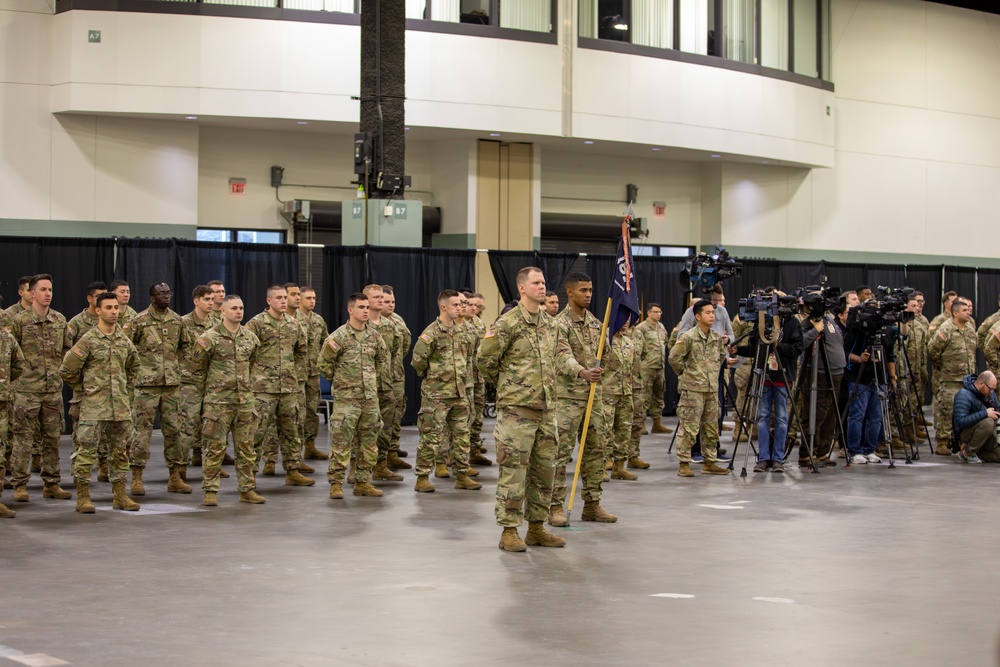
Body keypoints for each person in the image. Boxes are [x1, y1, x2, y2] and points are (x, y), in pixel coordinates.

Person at [478, 267, 565, 552]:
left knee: (544, 472)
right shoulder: (507, 323)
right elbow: (485, 362)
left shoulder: (550, 324)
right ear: (522, 288)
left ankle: (537, 528)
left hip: (546, 410)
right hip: (517, 412)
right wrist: (509, 387)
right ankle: (509, 530)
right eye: (536, 283)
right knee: (513, 471)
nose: (542, 287)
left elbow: (557, 359)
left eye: (544, 282)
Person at [59, 291, 141, 513]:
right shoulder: (88, 340)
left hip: (120, 407)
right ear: (98, 311)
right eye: (108, 308)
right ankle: (83, 497)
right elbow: (67, 370)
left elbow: (134, 366)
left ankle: (120, 495)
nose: (114, 312)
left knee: (120, 452)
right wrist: (84, 388)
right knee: (86, 452)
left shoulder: (123, 340)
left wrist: (126, 389)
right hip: (93, 406)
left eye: (116, 308)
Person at [548, 272, 615, 525]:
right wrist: (582, 371)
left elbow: (607, 355)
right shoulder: (559, 324)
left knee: (596, 452)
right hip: (567, 398)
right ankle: (554, 506)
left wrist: (605, 367)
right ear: (570, 292)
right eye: (583, 290)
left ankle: (592, 504)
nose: (588, 294)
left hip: (593, 398)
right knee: (560, 454)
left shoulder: (597, 323)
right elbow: (561, 356)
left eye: (590, 290)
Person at [191, 294, 266, 506]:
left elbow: (253, 363)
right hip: (218, 403)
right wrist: (208, 395)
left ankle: (247, 489)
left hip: (244, 403)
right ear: (222, 311)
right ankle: (211, 491)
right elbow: (197, 369)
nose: (239, 312)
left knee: (246, 449)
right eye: (233, 308)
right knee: (214, 448)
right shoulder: (209, 338)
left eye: (241, 308)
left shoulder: (250, 338)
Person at [318, 292, 389, 499]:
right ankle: (336, 484)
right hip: (346, 400)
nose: (366, 311)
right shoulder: (338, 337)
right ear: (350, 310)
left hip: (369, 399)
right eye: (361, 307)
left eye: (367, 307)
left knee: (369, 442)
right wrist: (342, 383)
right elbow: (324, 365)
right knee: (342, 441)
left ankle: (363, 482)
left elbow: (382, 360)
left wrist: (371, 382)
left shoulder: (375, 336)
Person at [10, 274, 72, 502]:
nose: (48, 294)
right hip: (26, 391)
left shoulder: (59, 320)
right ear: (32, 293)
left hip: (52, 391)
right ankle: (19, 484)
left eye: (50, 290)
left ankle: (52, 483)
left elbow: (68, 351)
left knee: (53, 439)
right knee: (23, 440)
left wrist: (62, 375)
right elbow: (10, 355)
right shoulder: (19, 321)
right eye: (43, 289)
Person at [410, 290, 480, 493]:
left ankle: (461, 475)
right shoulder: (431, 333)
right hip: (437, 395)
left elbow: (468, 359)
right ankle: (422, 477)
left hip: (459, 393)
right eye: (456, 305)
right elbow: (417, 361)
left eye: (461, 304)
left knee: (461, 436)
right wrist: (434, 377)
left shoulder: (464, 331)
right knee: (430, 437)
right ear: (444, 307)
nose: (461, 308)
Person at [246, 284, 314, 487]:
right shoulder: (257, 323)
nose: (283, 301)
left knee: (291, 431)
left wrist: (295, 376)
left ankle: (292, 470)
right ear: (269, 301)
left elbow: (302, 352)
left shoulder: (294, 325)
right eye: (279, 298)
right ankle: (250, 474)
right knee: (257, 432)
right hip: (263, 389)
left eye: (285, 297)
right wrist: (254, 378)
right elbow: (246, 352)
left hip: (288, 388)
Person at [128, 282, 189, 495]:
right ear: (152, 298)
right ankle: (136, 477)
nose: (166, 296)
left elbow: (185, 347)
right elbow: (128, 349)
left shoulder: (177, 320)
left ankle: (175, 476)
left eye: (168, 292)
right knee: (141, 432)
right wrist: (139, 371)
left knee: (174, 431)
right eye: (161, 293)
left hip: (171, 385)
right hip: (146, 385)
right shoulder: (139, 321)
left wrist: (175, 367)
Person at [668, 299, 731, 477]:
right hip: (693, 391)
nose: (712, 316)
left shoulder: (716, 338)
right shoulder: (688, 337)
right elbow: (674, 358)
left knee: (711, 427)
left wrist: (710, 374)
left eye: (713, 312)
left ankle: (709, 462)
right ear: (697, 316)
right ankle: (684, 463)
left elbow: (720, 357)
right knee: (689, 428)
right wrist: (686, 374)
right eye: (708, 313)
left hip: (711, 390)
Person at [734, 311, 803, 472]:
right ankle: (763, 458)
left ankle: (778, 458)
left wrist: (778, 345)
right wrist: (737, 349)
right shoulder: (761, 321)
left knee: (781, 418)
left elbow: (797, 349)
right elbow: (753, 349)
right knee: (762, 417)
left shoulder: (792, 322)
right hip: (763, 375)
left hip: (783, 376)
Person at [797, 297, 847, 465]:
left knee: (831, 415)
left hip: (836, 372)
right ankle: (807, 452)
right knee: (816, 413)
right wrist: (815, 330)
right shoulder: (808, 322)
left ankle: (823, 452)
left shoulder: (829, 319)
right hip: (818, 373)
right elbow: (801, 343)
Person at [363, 284, 404, 483]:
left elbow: (398, 351)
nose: (380, 300)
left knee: (386, 427)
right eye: (376, 297)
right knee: (362, 428)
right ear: (366, 300)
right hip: (364, 386)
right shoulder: (359, 325)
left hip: (386, 384)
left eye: (382, 297)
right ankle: (357, 468)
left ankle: (381, 466)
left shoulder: (391, 326)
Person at [67, 282, 108, 480]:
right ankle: (79, 471)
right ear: (90, 299)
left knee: (108, 431)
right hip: (85, 389)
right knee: (83, 431)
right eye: (99, 296)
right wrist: (78, 383)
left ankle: (104, 467)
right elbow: (66, 355)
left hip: (107, 388)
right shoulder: (76, 323)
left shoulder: (112, 324)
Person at [927, 298, 977, 456]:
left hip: (967, 379)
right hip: (950, 378)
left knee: (966, 411)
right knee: (947, 410)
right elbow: (933, 350)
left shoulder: (969, 327)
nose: (968, 312)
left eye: (968, 310)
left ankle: (961, 441)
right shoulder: (946, 328)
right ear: (955, 313)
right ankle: (942, 442)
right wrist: (944, 366)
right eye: (964, 310)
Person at [178, 286, 218, 476]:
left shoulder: (217, 324)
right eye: (207, 299)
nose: (211, 302)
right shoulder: (183, 323)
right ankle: (179, 468)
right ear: (196, 301)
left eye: (212, 299)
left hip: (212, 381)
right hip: (189, 382)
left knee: (212, 426)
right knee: (187, 425)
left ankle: (210, 465)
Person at [381, 285, 412, 466]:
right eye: (386, 302)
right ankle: (378, 456)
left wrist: (396, 362)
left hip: (396, 375)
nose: (390, 305)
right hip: (378, 378)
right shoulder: (370, 322)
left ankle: (393, 450)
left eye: (393, 301)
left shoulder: (397, 320)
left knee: (397, 412)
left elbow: (405, 345)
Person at [298, 286, 329, 461]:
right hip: (295, 374)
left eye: (314, 298)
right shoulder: (292, 319)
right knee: (294, 413)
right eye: (308, 298)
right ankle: (288, 453)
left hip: (313, 374)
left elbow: (326, 344)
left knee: (311, 410)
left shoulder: (318, 321)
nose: (312, 301)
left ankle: (310, 446)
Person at [464, 290, 492, 467]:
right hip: (462, 379)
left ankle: (474, 451)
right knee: (460, 418)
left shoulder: (480, 325)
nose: (474, 308)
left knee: (476, 417)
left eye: (477, 306)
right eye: (471, 305)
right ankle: (452, 455)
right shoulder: (454, 324)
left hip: (477, 377)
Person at [0, 318, 24, 517]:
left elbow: (18, 365)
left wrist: (3, 384)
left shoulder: (7, 339)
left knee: (0, 452)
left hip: (1, 403)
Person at [635, 303, 670, 434]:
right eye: (655, 312)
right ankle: (641, 424)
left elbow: (665, 342)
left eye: (660, 312)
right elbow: (637, 346)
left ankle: (657, 423)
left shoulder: (661, 327)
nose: (658, 314)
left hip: (659, 367)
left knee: (659, 395)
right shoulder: (641, 328)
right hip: (646, 367)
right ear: (649, 313)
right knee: (644, 395)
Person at [952, 371, 1000, 464]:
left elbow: (998, 407)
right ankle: (970, 452)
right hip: (967, 434)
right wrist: (985, 414)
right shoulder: (963, 395)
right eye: (990, 389)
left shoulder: (989, 392)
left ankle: (969, 452)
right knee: (988, 422)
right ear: (981, 383)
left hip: (987, 433)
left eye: (993, 389)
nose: (991, 392)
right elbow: (960, 421)